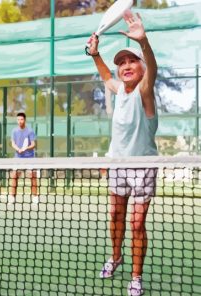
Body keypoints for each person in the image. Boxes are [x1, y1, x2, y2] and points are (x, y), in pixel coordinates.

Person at [88, 10, 158, 296]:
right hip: (118, 163)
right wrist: (95, 54)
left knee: (137, 222)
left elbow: (153, 68)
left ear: (141, 68)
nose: (126, 66)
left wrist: (144, 43)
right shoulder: (120, 91)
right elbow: (106, 76)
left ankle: (136, 276)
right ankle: (115, 257)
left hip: (143, 166)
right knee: (116, 214)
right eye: (122, 63)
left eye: (132, 61)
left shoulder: (145, 92)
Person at [10, 112, 38, 203]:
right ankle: (12, 197)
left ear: (25, 120)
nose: (20, 121)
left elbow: (33, 145)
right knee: (14, 176)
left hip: (29, 158)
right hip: (18, 157)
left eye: (21, 119)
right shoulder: (14, 131)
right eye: (18, 119)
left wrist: (26, 148)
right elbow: (13, 143)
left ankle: (34, 197)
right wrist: (18, 149)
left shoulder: (30, 131)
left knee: (32, 177)